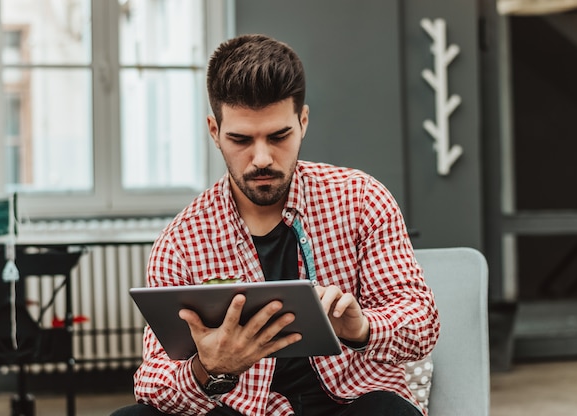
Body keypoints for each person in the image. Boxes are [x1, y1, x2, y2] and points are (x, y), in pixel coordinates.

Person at [114, 34, 439, 416]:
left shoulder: (361, 199)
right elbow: (153, 384)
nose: (262, 158)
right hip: (245, 410)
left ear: (303, 122)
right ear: (214, 132)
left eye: (278, 135)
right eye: (241, 139)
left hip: (353, 403)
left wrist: (361, 328)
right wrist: (209, 369)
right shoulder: (181, 242)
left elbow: (421, 324)